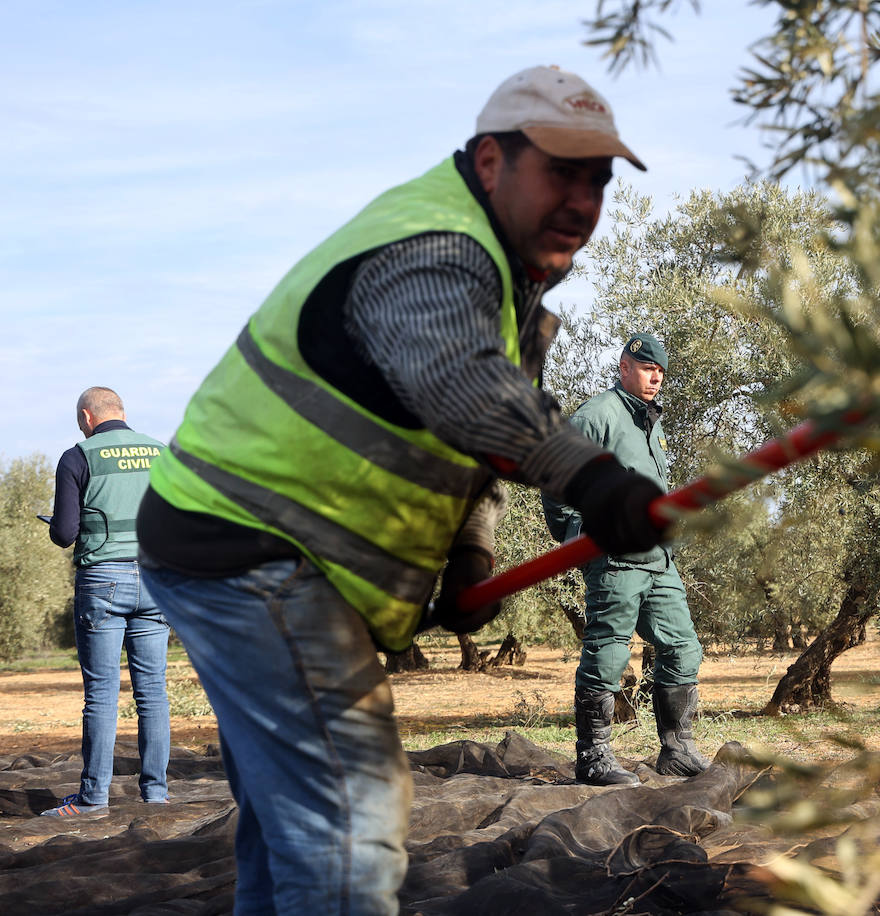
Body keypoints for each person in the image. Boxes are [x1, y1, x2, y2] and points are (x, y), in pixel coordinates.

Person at [135, 66, 665, 914]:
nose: (582, 199)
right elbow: (468, 390)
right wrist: (594, 477)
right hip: (251, 549)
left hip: (244, 551)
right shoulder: (437, 248)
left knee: (291, 830)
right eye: (561, 171)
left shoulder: (508, 285)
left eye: (597, 179)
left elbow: (476, 450)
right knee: (351, 819)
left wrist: (470, 556)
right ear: (491, 161)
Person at [543, 333, 710, 786]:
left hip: (657, 558)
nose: (656, 377)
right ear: (624, 367)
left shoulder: (648, 422)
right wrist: (578, 537)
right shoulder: (598, 416)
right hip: (615, 558)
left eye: (661, 371)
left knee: (682, 647)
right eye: (647, 367)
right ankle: (593, 756)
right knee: (609, 649)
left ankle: (677, 750)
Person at [43, 386, 170, 816]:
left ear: (87, 416)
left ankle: (94, 799)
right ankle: (156, 794)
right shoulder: (160, 452)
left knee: (101, 693)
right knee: (152, 691)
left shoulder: (78, 455)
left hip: (104, 581)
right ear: (122, 412)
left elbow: (64, 533)